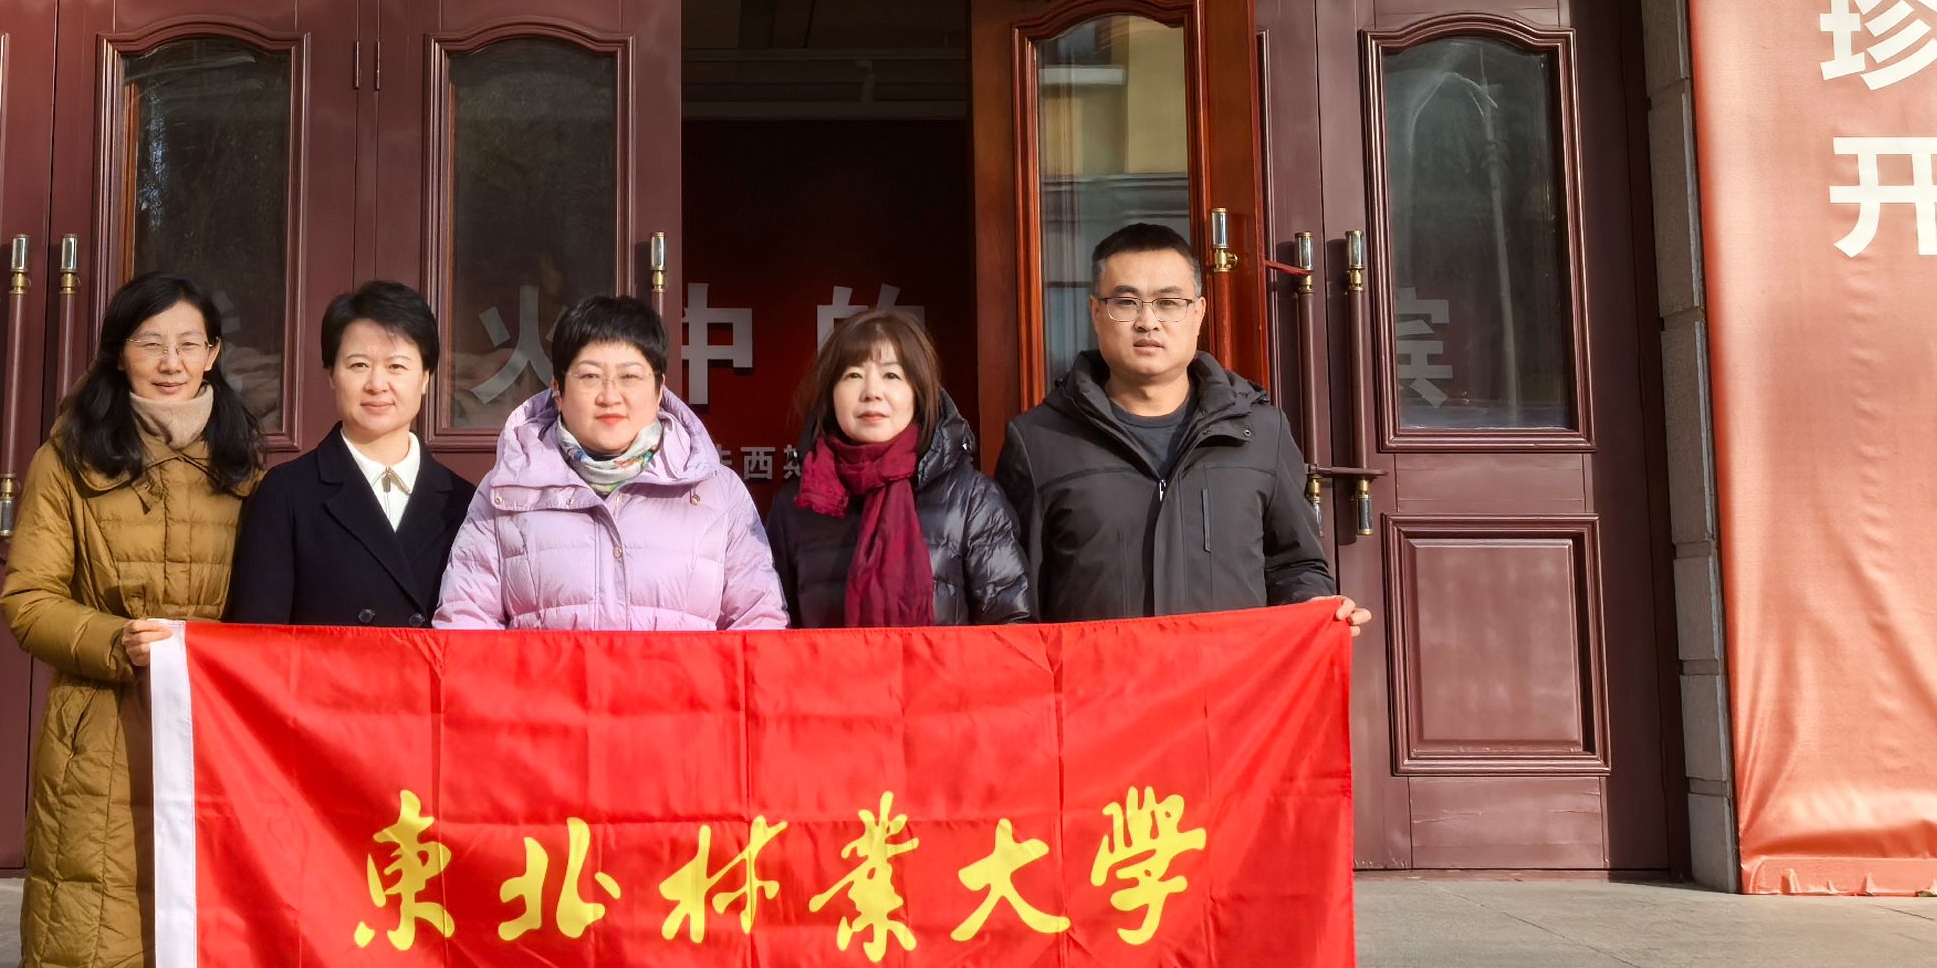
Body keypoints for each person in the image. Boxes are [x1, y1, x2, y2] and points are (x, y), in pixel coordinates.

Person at [0, 270, 258, 968]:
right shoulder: (69, 457)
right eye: (151, 343)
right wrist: (114, 641)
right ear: (119, 353)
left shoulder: (247, 462)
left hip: (221, 753)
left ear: (215, 354)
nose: (171, 361)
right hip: (102, 748)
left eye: (189, 343)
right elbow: (28, 599)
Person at [998, 221, 1376, 635]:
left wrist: (1313, 606)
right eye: (1126, 302)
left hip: (1228, 675)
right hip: (1097, 676)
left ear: (1198, 313)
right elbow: (1017, 602)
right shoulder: (1039, 442)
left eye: (1168, 302)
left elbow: (1295, 564)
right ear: (1096, 312)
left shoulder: (1260, 433)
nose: (1148, 321)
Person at [434, 293, 785, 632]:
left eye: (630, 377)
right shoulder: (507, 488)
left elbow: (758, 622)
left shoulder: (717, 491)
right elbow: (466, 620)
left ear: (659, 389)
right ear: (557, 389)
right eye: (589, 376)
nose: (610, 396)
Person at [765, 305, 1033, 629]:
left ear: (918, 392)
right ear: (831, 394)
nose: (871, 393)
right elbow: (772, 633)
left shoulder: (971, 500)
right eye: (853, 375)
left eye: (891, 375)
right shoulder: (796, 508)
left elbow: (1012, 628)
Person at [226, 279, 471, 628]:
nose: (377, 384)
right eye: (358, 365)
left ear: (425, 377)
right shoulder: (286, 493)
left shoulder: (462, 501)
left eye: (396, 366)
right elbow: (258, 639)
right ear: (331, 375)